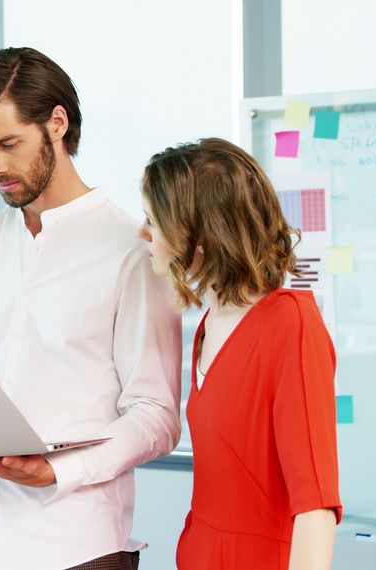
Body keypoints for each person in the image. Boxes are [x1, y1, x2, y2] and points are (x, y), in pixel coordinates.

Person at [0, 47, 183, 570]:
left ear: (57, 124)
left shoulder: (134, 250)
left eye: (8, 143)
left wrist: (55, 471)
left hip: (76, 547)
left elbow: (157, 415)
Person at [137, 137, 342, 569]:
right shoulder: (207, 325)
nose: (144, 233)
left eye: (155, 221)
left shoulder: (290, 325)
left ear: (202, 236)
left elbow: (316, 507)